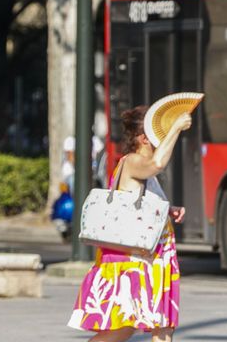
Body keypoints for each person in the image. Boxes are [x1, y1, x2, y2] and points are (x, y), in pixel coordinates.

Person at [67, 105, 191, 342]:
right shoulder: (133, 161)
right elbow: (157, 164)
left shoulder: (140, 168)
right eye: (160, 133)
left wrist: (169, 210)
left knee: (161, 326)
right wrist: (176, 128)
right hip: (134, 259)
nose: (164, 138)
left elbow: (141, 204)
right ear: (145, 138)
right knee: (124, 328)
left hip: (151, 257)